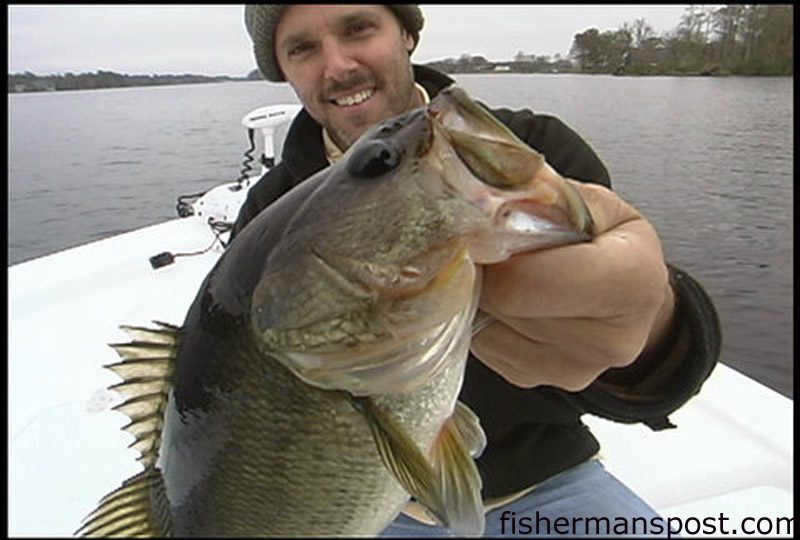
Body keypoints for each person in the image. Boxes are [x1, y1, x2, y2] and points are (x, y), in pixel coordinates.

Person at [236, 4, 721, 536]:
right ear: (283, 69)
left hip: (549, 482)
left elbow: (640, 377)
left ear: (408, 34)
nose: (338, 65)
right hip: (366, 509)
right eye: (302, 48)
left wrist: (653, 329)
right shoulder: (265, 221)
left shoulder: (527, 149)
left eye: (358, 28)